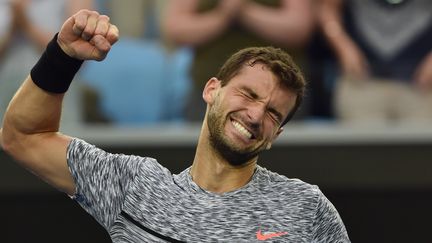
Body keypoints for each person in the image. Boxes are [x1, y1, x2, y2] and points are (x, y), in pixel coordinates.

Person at [0, 9, 350, 242]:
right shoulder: (135, 186)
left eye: (274, 114)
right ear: (212, 89)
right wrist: (62, 55)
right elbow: (23, 136)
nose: (256, 116)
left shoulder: (307, 208)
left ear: (277, 135)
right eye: (248, 94)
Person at [162, 0, 316, 121]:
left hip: (277, 92)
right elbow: (176, 29)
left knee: (279, 158)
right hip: (211, 89)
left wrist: (244, 10)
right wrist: (223, 15)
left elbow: (298, 28)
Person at [318, 0, 432, 125]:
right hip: (362, 80)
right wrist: (342, 45)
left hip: (422, 84)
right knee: (361, 141)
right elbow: (327, 9)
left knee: (420, 142)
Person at [0, 0, 94, 125]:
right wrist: (13, 27)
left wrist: (26, 24)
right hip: (6, 87)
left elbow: (76, 49)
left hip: (55, 89)